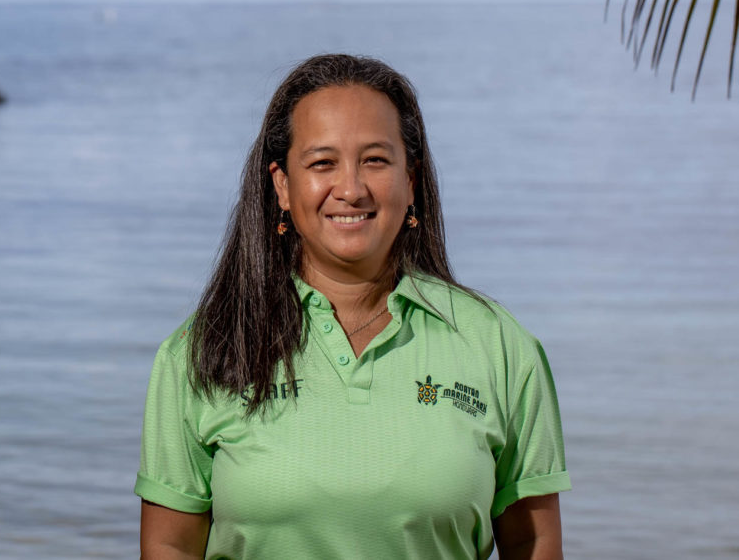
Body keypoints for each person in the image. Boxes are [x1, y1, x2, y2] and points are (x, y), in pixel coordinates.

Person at [135, 54, 570, 559]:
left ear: (411, 180)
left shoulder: (498, 346)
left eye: (376, 160)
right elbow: (170, 547)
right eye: (322, 163)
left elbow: (534, 543)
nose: (351, 189)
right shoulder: (200, 352)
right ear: (282, 185)